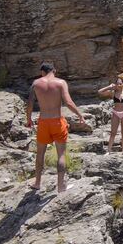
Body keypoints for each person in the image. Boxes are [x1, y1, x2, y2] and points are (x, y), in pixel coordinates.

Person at [26, 62, 86, 193]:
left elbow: (30, 104)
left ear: (42, 72)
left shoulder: (36, 84)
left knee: (40, 153)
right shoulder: (61, 83)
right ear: (54, 70)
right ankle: (60, 186)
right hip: (57, 122)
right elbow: (68, 102)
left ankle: (37, 183)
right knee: (61, 155)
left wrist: (28, 119)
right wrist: (80, 115)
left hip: (43, 122)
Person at [98, 76, 123, 153]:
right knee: (113, 133)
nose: (118, 85)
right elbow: (100, 92)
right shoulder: (113, 93)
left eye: (120, 83)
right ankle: (109, 150)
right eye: (117, 84)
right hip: (116, 113)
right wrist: (109, 87)